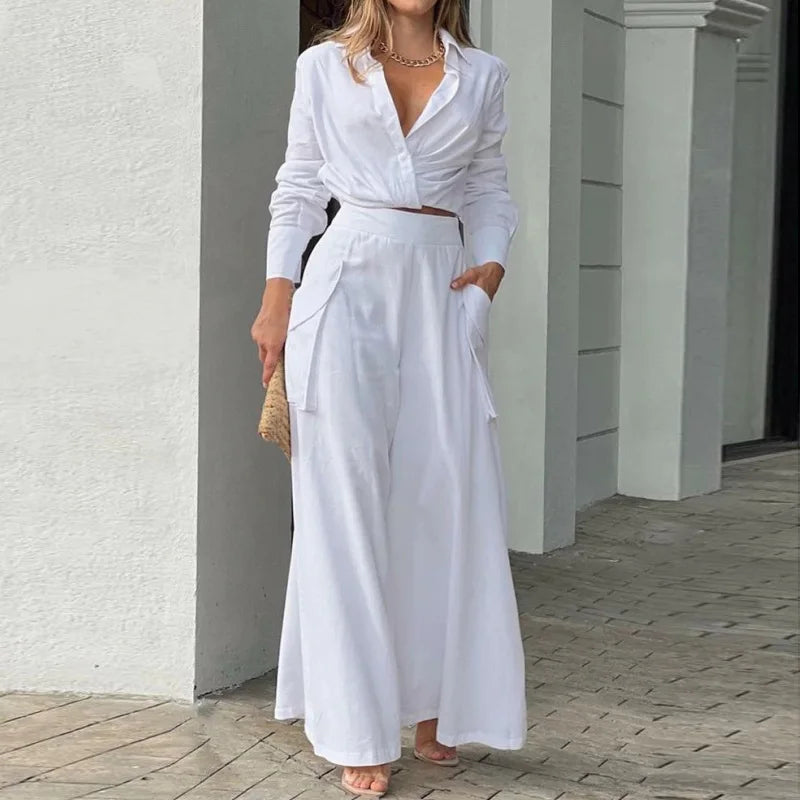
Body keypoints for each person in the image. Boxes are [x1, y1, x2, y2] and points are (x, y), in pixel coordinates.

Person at [250, 0, 527, 795]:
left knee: (446, 493)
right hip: (344, 285)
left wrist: (492, 271)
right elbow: (298, 187)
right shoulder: (322, 67)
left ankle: (442, 699)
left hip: (441, 287)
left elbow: (489, 189)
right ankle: (358, 725)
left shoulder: (484, 76)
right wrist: (277, 301)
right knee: (345, 502)